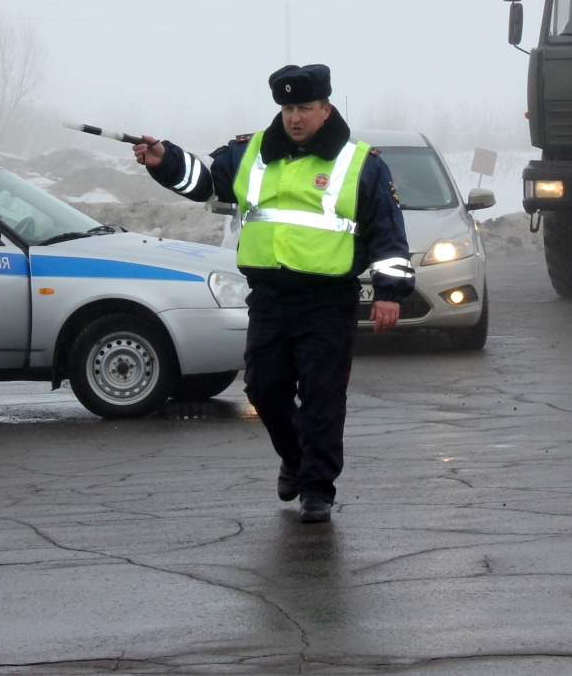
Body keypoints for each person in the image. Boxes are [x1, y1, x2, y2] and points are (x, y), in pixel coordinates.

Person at [132, 64, 412, 523]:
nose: (294, 117)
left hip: (328, 299)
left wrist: (390, 292)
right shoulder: (252, 152)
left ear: (325, 108)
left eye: (304, 107)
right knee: (263, 386)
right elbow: (205, 181)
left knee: (322, 398)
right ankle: (297, 458)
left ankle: (317, 490)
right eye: (287, 108)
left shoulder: (361, 162)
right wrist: (167, 162)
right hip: (270, 297)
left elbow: (387, 232)